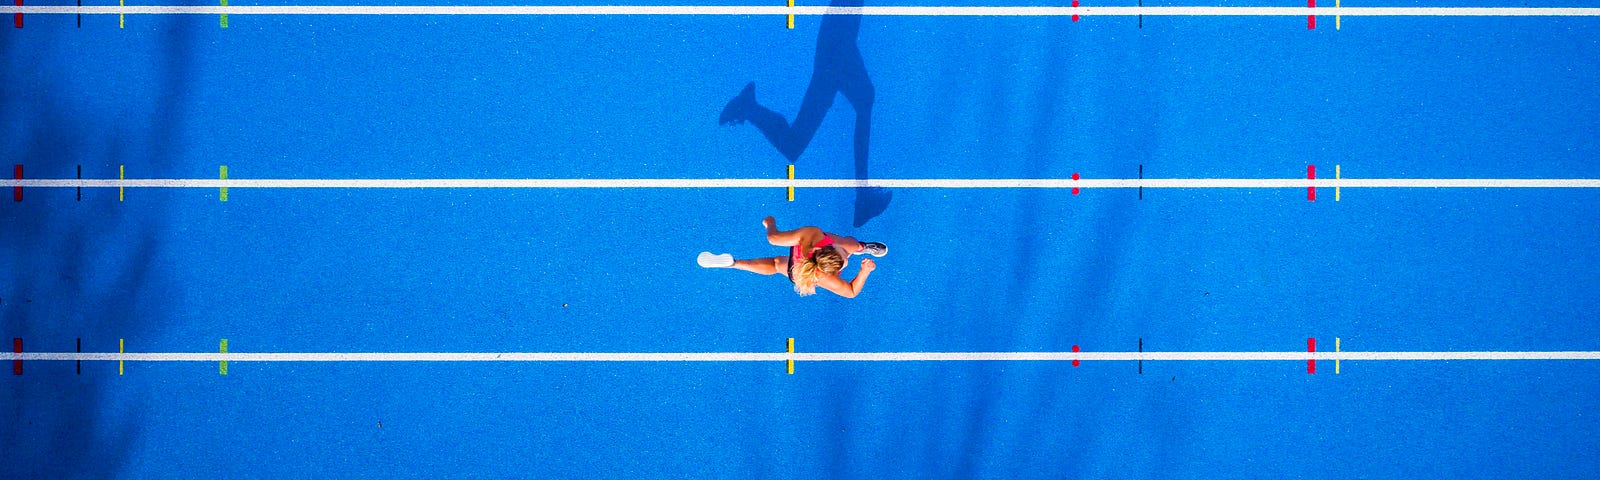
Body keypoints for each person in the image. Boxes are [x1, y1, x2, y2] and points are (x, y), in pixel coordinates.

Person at [698, 216, 886, 298]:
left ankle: (734, 263)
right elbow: (851, 292)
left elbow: (773, 238)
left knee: (777, 262)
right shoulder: (823, 276)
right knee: (850, 245)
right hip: (802, 273)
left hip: (800, 263)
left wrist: (770, 223)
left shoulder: (812, 234)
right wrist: (864, 271)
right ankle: (862, 247)